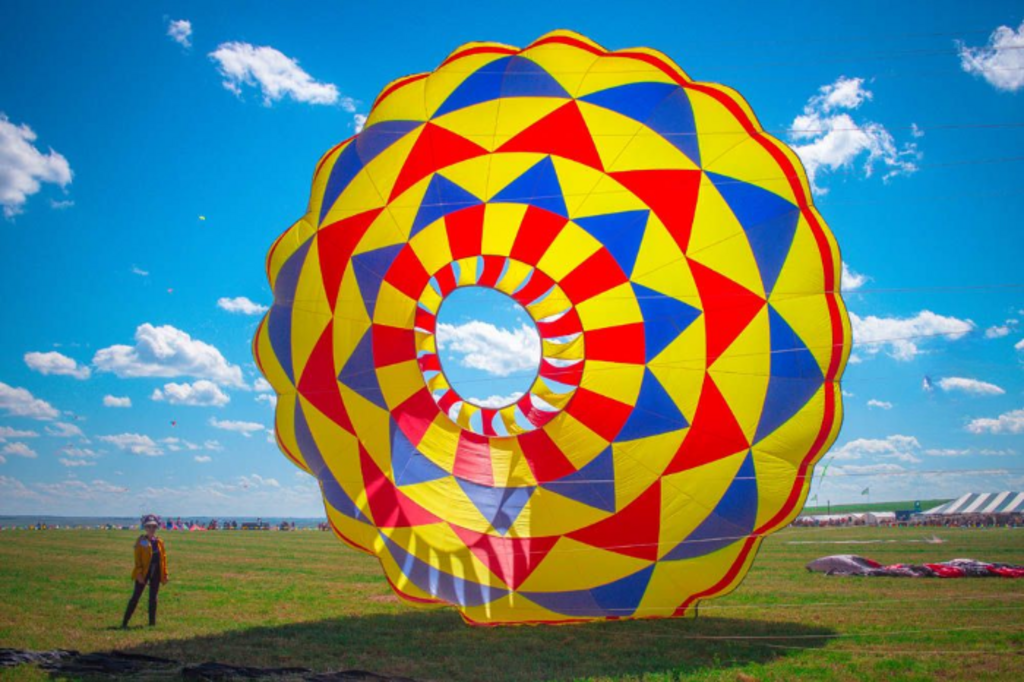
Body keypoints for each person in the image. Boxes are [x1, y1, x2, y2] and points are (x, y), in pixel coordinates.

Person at [121, 514, 168, 628]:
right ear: (145, 527)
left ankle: (152, 623)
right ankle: (125, 622)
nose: (151, 529)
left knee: (153, 597)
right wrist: (139, 574)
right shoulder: (141, 541)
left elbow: (163, 559)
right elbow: (137, 560)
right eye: (149, 526)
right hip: (143, 573)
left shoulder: (159, 542)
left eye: (154, 526)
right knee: (136, 597)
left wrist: (165, 574)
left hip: (156, 572)